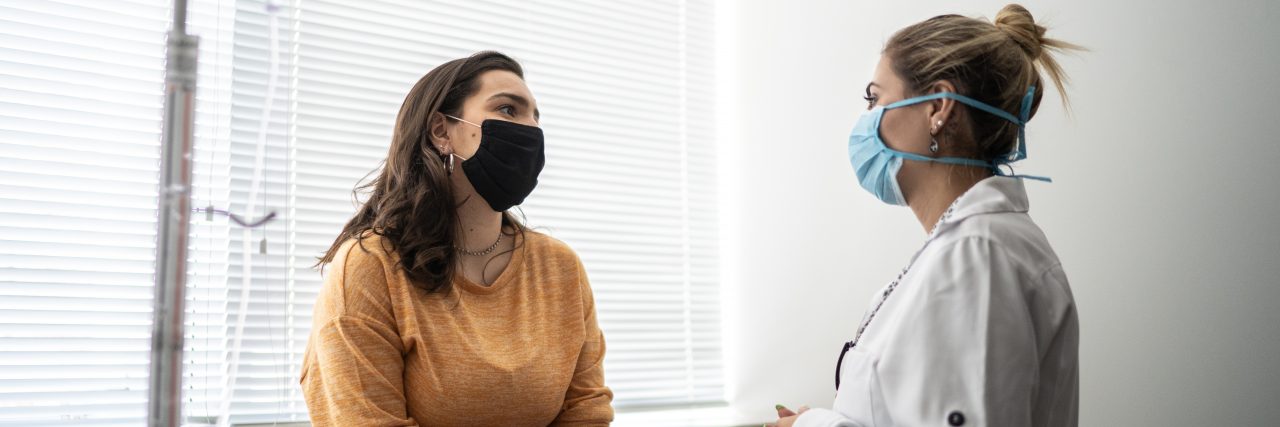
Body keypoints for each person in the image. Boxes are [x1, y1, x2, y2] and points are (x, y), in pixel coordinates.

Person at [773, 4, 1082, 427]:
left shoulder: (978, 255)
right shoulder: (973, 247)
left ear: (938, 107)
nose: (866, 120)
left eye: (875, 98)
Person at [301, 51, 613, 426]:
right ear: (441, 131)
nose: (530, 129)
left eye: (535, 116)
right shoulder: (370, 266)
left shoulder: (560, 267)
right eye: (509, 111)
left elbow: (587, 410)